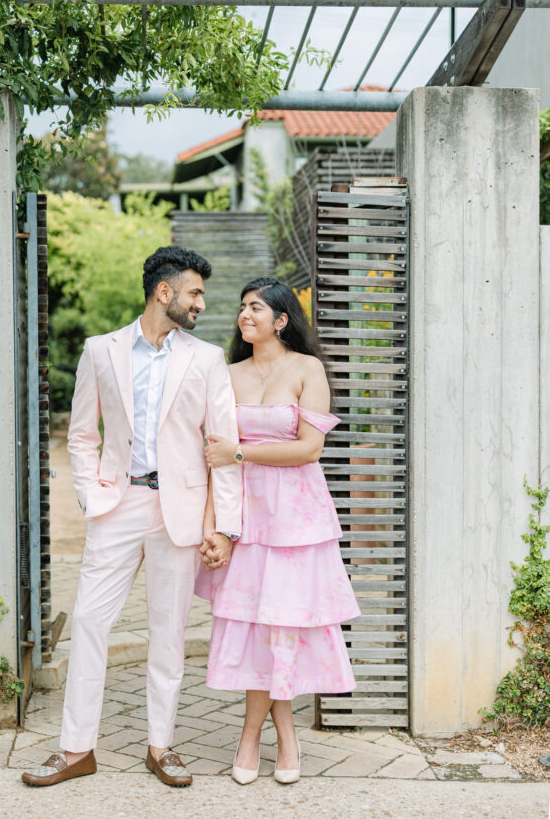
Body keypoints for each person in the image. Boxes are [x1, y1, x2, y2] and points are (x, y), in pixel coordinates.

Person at [22, 246, 242, 789]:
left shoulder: (207, 359)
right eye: (194, 292)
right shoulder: (101, 350)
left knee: (167, 633)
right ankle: (76, 749)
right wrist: (93, 494)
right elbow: (80, 435)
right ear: (163, 292)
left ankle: (160, 746)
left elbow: (223, 447)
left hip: (181, 511)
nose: (201, 303)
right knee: (92, 623)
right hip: (118, 504)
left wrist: (224, 526)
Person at [196, 277, 360, 785]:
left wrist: (241, 451)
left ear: (282, 319)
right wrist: (215, 529)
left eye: (257, 308)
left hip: (298, 520)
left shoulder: (307, 369)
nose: (246, 315)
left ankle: (256, 736)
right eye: (243, 308)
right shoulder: (225, 375)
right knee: (259, 628)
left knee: (283, 625)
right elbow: (212, 462)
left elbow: (310, 449)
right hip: (246, 516)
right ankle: (281, 734)